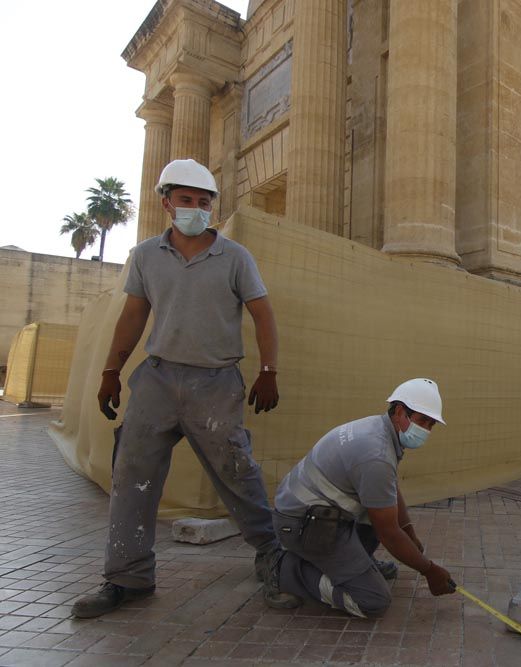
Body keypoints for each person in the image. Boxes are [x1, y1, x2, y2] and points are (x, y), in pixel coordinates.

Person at [71, 159, 298, 618]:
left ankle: (273, 557)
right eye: (186, 200)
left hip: (215, 382)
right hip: (157, 378)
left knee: (237, 471)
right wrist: (111, 371)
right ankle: (127, 577)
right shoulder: (146, 256)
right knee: (131, 475)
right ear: (166, 203)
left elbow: (263, 314)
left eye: (203, 201)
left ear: (211, 205)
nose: (195, 208)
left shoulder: (235, 257)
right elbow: (133, 314)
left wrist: (269, 370)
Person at [270, 378, 455, 617]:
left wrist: (409, 531)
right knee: (372, 600)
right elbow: (388, 533)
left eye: (431, 425)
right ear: (400, 412)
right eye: (423, 421)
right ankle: (286, 570)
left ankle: (354, 566)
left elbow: (388, 490)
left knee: (379, 512)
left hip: (313, 515)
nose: (426, 430)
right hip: (301, 525)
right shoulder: (375, 454)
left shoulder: (379, 429)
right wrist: (429, 571)